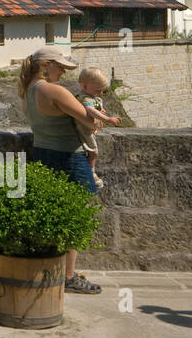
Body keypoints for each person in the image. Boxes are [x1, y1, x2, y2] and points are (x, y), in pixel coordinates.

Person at [17, 46, 113, 294]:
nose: (62, 71)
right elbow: (90, 122)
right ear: (46, 65)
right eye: (59, 66)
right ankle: (68, 276)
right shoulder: (53, 90)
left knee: (54, 212)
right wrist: (97, 118)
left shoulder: (28, 90)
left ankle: (53, 269)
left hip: (43, 153)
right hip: (69, 156)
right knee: (77, 216)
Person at [74, 67, 120, 187]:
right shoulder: (85, 97)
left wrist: (101, 111)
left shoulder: (90, 95)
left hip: (90, 129)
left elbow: (96, 107)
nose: (100, 93)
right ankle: (91, 172)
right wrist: (107, 119)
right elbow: (90, 110)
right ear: (84, 87)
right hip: (85, 131)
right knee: (94, 152)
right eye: (98, 91)